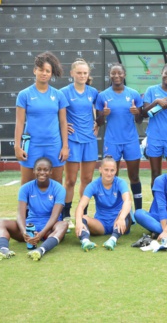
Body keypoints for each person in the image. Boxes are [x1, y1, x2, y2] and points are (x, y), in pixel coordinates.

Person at [0, 157, 68, 261]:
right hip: (30, 228)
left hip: (49, 230)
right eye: (39, 169)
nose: (42, 172)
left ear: (51, 171)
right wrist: (24, 232)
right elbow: (20, 214)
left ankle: (41, 250)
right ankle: (3, 250)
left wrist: (41, 234)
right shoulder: (25, 188)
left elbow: (55, 216)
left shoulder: (59, 188)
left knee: (63, 224)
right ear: (34, 171)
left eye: (45, 170)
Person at [14, 51, 69, 185]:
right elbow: (20, 122)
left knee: (56, 182)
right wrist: (17, 146)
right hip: (30, 144)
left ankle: (55, 207)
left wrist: (65, 146)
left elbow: (63, 122)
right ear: (35, 71)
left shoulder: (58, 95)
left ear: (51, 74)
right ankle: (26, 207)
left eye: (47, 71)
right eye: (41, 70)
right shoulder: (24, 95)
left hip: (54, 144)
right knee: (27, 182)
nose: (44, 73)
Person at [95, 63, 145, 211]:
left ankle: (139, 211)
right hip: (112, 141)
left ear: (124, 75)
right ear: (110, 75)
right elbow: (98, 122)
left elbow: (139, 120)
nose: (116, 76)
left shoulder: (133, 94)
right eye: (113, 74)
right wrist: (103, 115)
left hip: (130, 140)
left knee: (134, 176)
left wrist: (137, 113)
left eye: (119, 73)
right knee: (110, 176)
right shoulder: (103, 95)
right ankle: (112, 209)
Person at [60, 58, 99, 229]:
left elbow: (99, 113)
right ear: (72, 74)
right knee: (70, 180)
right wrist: (62, 125)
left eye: (85, 73)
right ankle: (66, 214)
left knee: (87, 179)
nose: (82, 75)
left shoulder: (93, 92)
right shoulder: (64, 92)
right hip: (73, 140)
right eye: (79, 73)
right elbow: (54, 112)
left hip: (90, 140)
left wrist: (97, 122)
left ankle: (83, 213)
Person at [75, 155, 132, 251]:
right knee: (82, 218)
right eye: (106, 170)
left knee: (127, 212)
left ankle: (113, 240)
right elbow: (81, 206)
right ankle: (85, 241)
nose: (109, 173)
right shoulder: (93, 185)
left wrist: (121, 218)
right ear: (100, 169)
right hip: (101, 224)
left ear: (116, 170)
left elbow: (127, 200)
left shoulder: (120, 182)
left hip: (119, 221)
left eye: (112, 170)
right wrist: (78, 222)